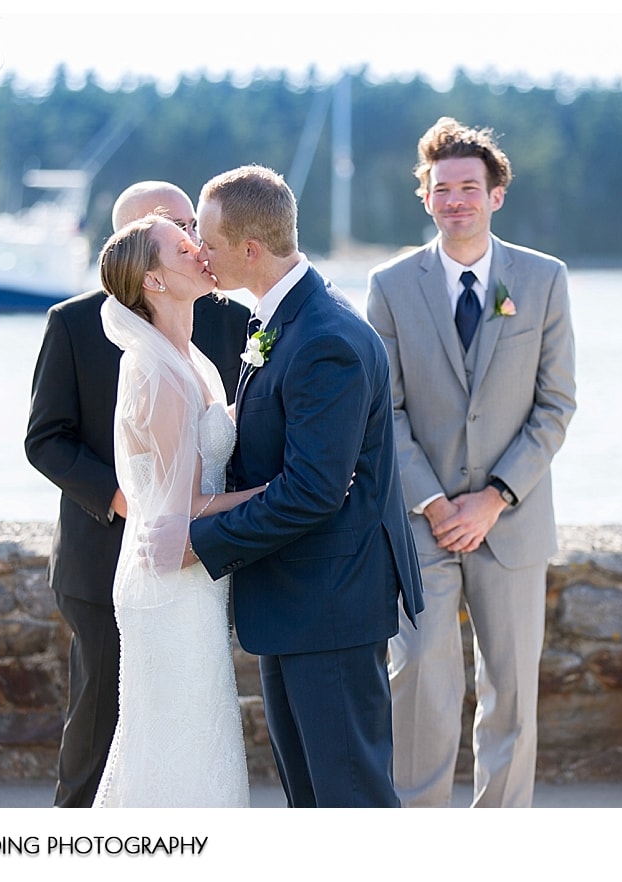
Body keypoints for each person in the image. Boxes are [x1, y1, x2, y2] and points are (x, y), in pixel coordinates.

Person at [187, 165, 425, 808]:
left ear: (250, 249)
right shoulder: (284, 321)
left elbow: (313, 492)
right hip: (298, 602)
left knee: (350, 801)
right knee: (311, 803)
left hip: (331, 603)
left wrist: (198, 540)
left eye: (208, 243)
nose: (200, 255)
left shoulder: (325, 339)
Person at [365, 117, 576, 808]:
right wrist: (432, 502)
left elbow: (555, 405)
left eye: (469, 187)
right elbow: (383, 410)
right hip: (421, 523)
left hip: (510, 523)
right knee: (420, 673)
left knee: (510, 688)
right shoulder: (390, 285)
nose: (455, 199)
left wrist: (494, 498)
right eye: (442, 188)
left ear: (496, 197)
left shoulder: (543, 280)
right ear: (425, 197)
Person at [24, 181, 247, 808]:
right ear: (127, 244)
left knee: (182, 721)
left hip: (197, 558)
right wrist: (131, 500)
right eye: (165, 228)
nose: (188, 240)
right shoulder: (71, 322)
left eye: (186, 225)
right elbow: (46, 439)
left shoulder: (229, 319)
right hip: (102, 555)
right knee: (98, 723)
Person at [90, 214, 264, 807]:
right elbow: (180, 508)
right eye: (182, 247)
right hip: (170, 584)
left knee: (200, 739)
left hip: (193, 579)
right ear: (155, 282)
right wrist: (282, 496)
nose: (199, 250)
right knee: (175, 745)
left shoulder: (197, 364)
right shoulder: (157, 373)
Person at [112, 181, 251, 400]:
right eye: (177, 228)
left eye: (193, 227)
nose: (195, 243)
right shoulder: (73, 323)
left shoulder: (237, 320)